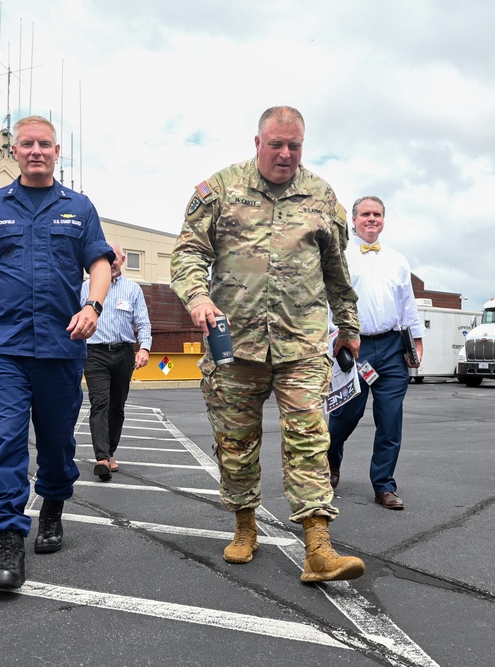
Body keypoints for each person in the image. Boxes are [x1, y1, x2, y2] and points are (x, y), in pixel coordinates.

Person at [171, 105, 366, 584]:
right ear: (256, 142)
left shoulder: (322, 197)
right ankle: (244, 526)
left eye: (294, 146)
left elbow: (337, 273)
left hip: (301, 343)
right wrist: (197, 297)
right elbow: (189, 252)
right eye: (276, 144)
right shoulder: (219, 190)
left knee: (308, 439)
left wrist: (348, 326)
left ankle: (318, 546)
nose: (285, 154)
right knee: (236, 444)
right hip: (232, 344)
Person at [0, 115, 113, 591]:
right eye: (28, 144)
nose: (36, 150)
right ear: (15, 152)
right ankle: (8, 539)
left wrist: (93, 305)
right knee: (5, 441)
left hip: (62, 348)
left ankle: (53, 508)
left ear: (57, 151)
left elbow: (100, 264)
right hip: (4, 347)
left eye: (45, 144)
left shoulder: (79, 207)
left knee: (57, 444)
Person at [327, 196, 424, 511]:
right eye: (366, 214)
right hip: (355, 347)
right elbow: (328, 302)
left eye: (377, 214)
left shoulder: (398, 260)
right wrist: (335, 339)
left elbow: (407, 304)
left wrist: (417, 341)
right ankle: (330, 461)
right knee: (346, 413)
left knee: (390, 419)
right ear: (353, 220)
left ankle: (384, 486)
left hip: (393, 347)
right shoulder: (339, 256)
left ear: (384, 219)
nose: (372, 219)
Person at [81, 242, 152, 481]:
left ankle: (110, 452)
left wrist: (144, 348)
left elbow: (142, 322)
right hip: (95, 354)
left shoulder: (133, 289)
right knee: (99, 403)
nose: (110, 261)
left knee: (117, 407)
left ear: (122, 260)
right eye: (105, 256)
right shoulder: (85, 288)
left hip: (123, 353)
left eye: (115, 257)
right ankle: (102, 457)